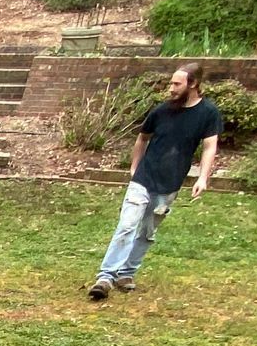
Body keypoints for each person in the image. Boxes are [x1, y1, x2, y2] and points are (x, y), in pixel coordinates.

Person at [88, 64, 222, 300]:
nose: (171, 88)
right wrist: (134, 167)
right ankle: (105, 277)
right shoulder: (161, 111)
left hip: (170, 183)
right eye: (171, 83)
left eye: (176, 84)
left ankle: (126, 273)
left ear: (193, 84)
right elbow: (142, 138)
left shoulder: (208, 113)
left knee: (147, 232)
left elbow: (210, 146)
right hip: (143, 178)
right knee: (127, 225)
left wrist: (203, 177)